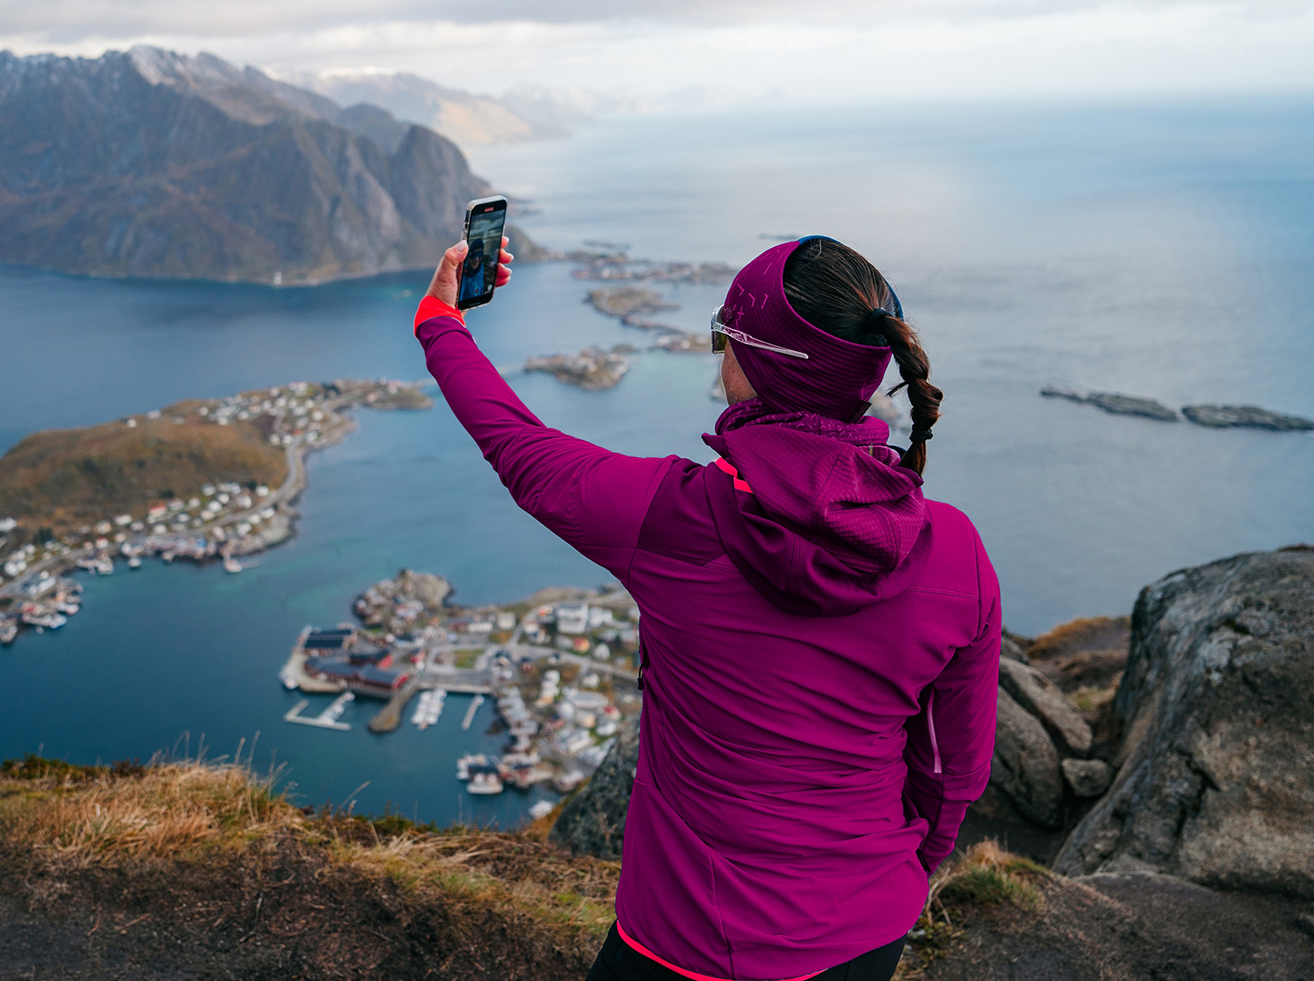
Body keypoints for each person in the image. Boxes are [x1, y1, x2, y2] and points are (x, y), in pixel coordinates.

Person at [411, 233, 1001, 981]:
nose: (717, 356)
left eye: (723, 336)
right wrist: (912, 868)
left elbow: (519, 448)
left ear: (755, 363)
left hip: (683, 939)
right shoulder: (958, 553)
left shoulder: (670, 520)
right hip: (864, 932)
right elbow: (956, 768)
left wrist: (439, 319)